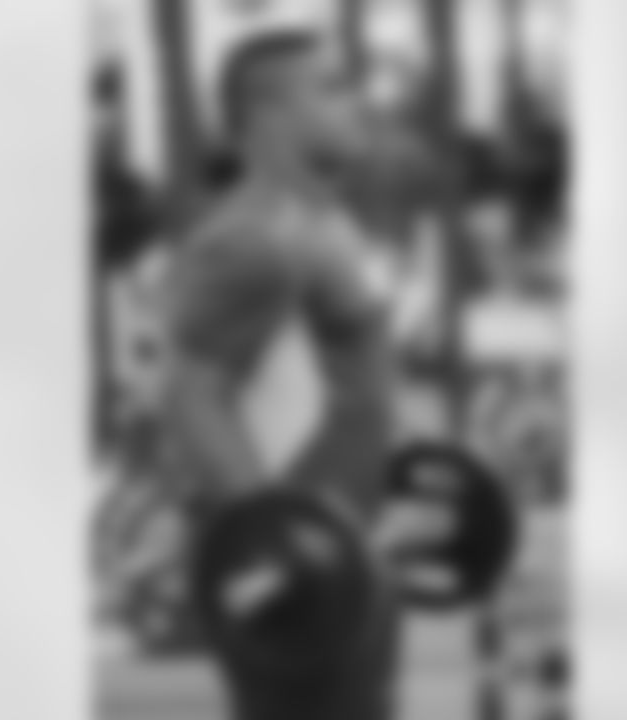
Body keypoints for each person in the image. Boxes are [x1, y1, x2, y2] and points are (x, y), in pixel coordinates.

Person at [158, 27, 451, 720]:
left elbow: (349, 378)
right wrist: (281, 544)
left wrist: (403, 454)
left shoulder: (319, 220)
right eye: (331, 88)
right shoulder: (253, 241)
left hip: (347, 547)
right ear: (270, 115)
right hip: (298, 567)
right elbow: (192, 397)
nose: (358, 103)